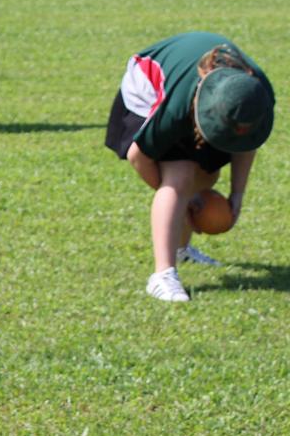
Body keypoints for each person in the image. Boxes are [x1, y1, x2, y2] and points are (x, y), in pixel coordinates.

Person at [105, 32, 275, 302]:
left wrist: (237, 194)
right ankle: (162, 274)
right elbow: (140, 156)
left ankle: (181, 248)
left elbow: (247, 142)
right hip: (147, 87)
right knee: (180, 178)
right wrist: (180, 198)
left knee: (206, 175)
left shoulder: (256, 96)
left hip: (203, 93)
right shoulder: (174, 109)